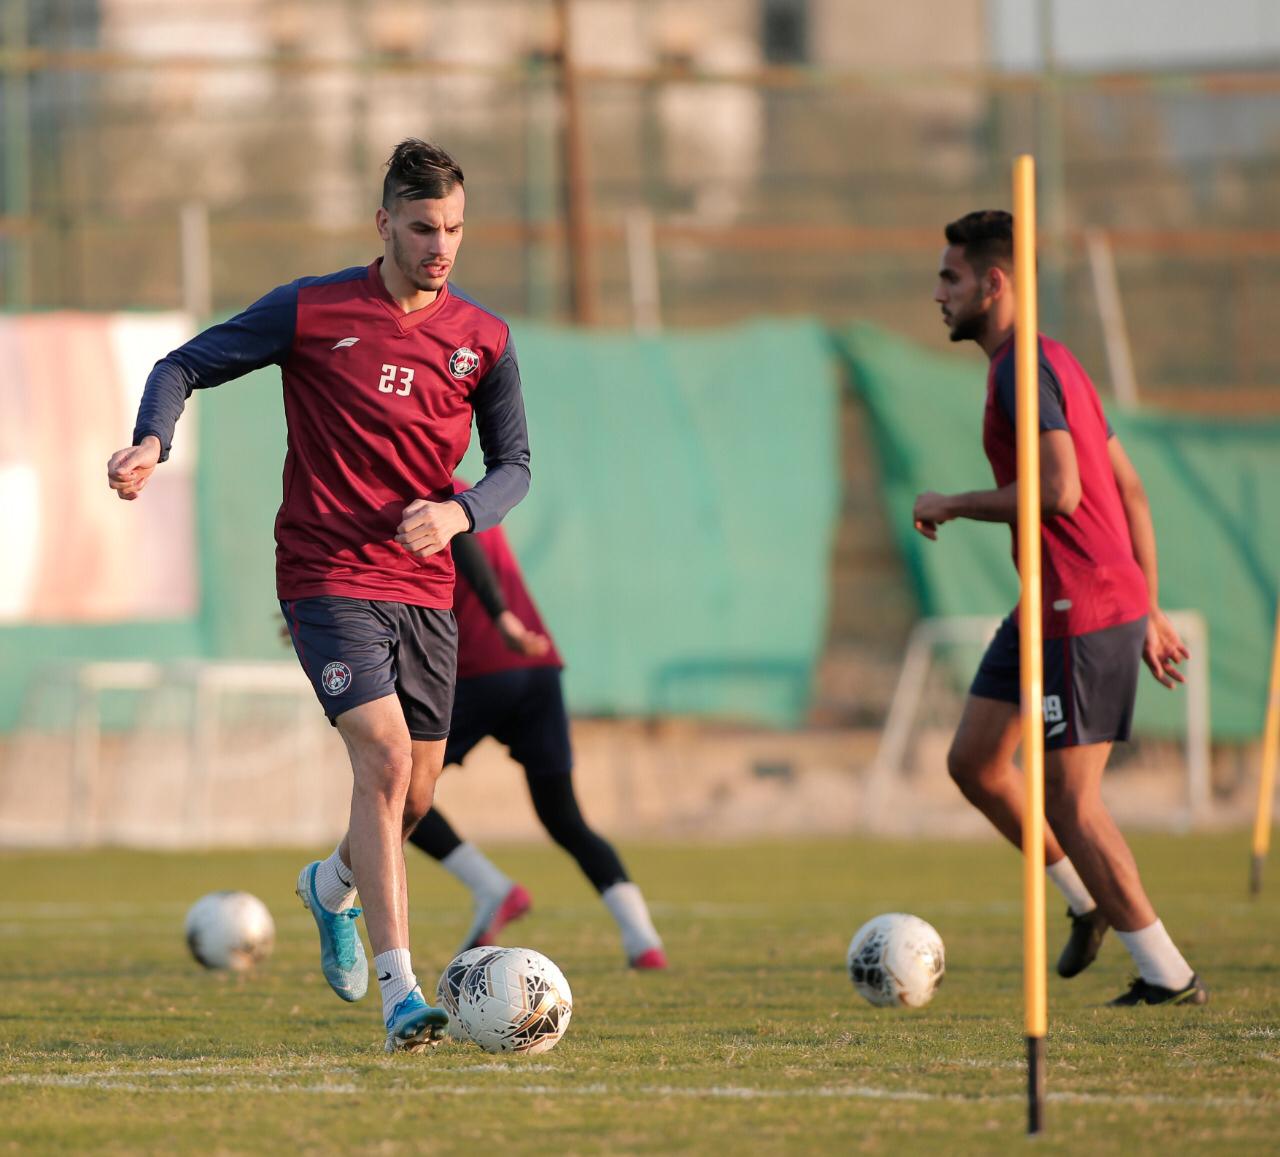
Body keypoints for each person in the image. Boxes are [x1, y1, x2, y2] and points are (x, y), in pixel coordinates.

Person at [107, 140, 532, 1050]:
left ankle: (330, 886)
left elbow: (515, 467)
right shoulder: (312, 308)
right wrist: (151, 442)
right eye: (422, 227)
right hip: (326, 574)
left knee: (414, 800)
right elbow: (181, 364)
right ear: (384, 223)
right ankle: (400, 996)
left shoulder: (484, 338)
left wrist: (460, 516)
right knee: (379, 763)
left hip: (426, 588)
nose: (441, 245)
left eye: (454, 227)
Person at [914, 210, 1206, 1006]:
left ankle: (1168, 974)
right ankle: (1087, 903)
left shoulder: (1022, 370)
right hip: (1050, 601)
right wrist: (1147, 602)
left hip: (1079, 606)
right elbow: (1131, 491)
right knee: (974, 763)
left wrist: (952, 501)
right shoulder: (1047, 360)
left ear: (993, 282)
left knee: (1071, 800)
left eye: (950, 277)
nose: (937, 293)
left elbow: (1062, 489)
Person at [406, 478, 667, 970]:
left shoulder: (416, 488)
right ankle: (643, 941)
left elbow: (452, 555)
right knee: (564, 818)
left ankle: (493, 890)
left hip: (482, 667)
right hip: (536, 665)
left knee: (399, 793)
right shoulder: (467, 491)